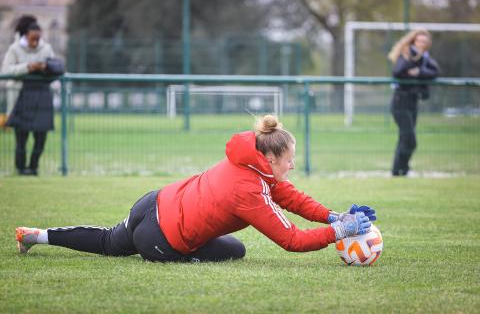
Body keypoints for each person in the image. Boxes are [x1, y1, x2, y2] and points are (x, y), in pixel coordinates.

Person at [15, 115, 377, 262]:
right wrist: (339, 231)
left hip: (153, 202)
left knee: (110, 240)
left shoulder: (247, 159)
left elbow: (289, 196)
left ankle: (36, 236)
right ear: (269, 159)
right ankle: (39, 236)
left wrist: (333, 215)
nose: (292, 165)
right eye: (289, 160)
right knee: (235, 250)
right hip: (160, 240)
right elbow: (292, 241)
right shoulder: (249, 190)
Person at [2, 15, 55, 176]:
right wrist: (28, 67)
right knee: (21, 138)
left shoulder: (46, 49)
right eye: (33, 37)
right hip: (21, 96)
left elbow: (56, 68)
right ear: (26, 34)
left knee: (41, 137)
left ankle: (33, 167)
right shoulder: (14, 49)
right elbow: (6, 70)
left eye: (38, 37)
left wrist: (46, 67)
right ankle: (21, 168)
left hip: (41, 96)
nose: (36, 40)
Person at [388, 29, 440, 176]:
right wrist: (414, 65)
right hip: (400, 101)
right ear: (413, 41)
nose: (421, 44)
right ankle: (400, 170)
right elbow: (398, 71)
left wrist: (418, 72)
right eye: (419, 41)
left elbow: (435, 72)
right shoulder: (407, 53)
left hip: (413, 101)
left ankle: (399, 171)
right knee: (410, 139)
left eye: (424, 41)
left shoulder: (425, 57)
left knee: (404, 138)